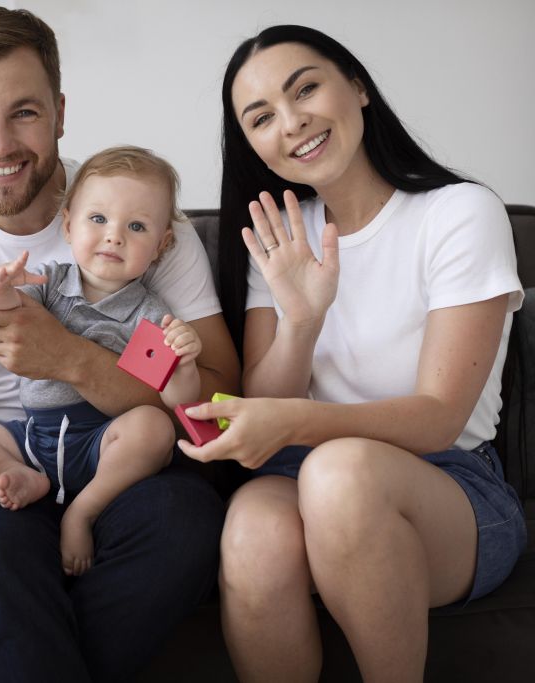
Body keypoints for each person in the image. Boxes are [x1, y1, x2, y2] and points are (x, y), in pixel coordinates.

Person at [0, 7, 240, 683]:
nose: (0, 143)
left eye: (24, 112)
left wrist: (69, 358)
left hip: (117, 456)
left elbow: (219, 407)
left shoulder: (134, 213)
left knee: (185, 517)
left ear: (60, 111)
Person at [181, 25, 527, 682]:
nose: (292, 122)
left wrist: (296, 424)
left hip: (451, 484)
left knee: (337, 475)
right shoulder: (277, 235)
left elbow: (438, 416)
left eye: (305, 88)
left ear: (358, 87)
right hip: (300, 471)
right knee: (253, 530)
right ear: (251, 144)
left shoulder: (458, 213)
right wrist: (303, 320)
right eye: (261, 118)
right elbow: (264, 402)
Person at [0, 146, 207, 576]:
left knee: (153, 428)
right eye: (98, 219)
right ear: (68, 225)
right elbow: (5, 321)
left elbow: (176, 402)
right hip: (33, 437)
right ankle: (19, 475)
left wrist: (183, 365)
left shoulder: (149, 314)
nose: (114, 236)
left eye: (137, 226)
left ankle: (83, 511)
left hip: (101, 440)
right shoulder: (48, 284)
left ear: (161, 246)